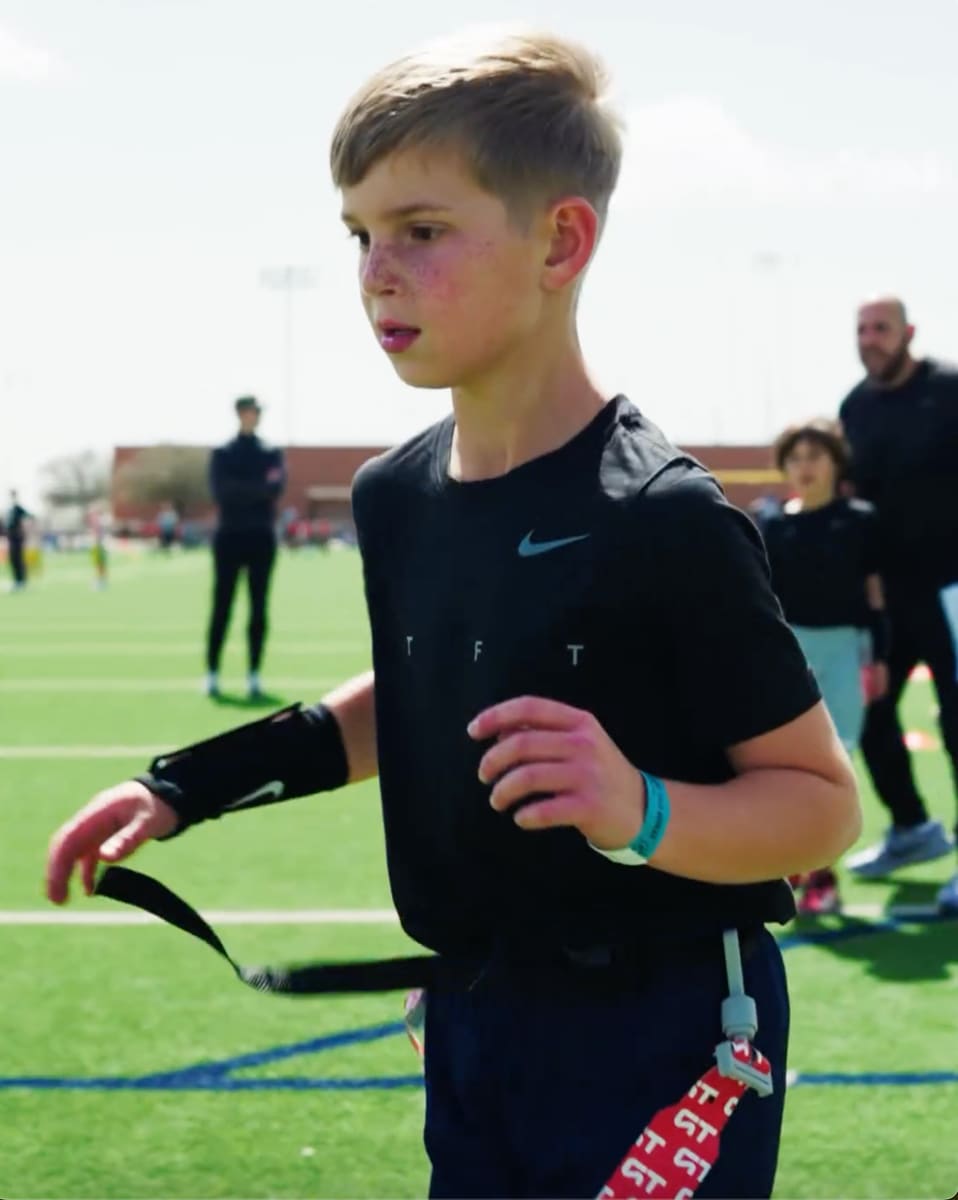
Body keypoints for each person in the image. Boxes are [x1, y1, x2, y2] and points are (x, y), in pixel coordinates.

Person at [45, 31, 861, 1199]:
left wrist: (639, 810)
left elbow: (820, 807)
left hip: (668, 1025)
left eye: (421, 231)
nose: (377, 269)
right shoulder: (395, 494)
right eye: (360, 236)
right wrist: (185, 786)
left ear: (561, 241)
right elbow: (421, 693)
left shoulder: (664, 517)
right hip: (474, 1013)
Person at [839, 297, 958, 912]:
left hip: (952, 588)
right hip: (891, 593)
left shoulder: (949, 389)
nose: (870, 340)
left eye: (881, 329)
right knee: (873, 712)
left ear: (908, 333)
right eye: (862, 330)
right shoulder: (854, 407)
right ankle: (912, 828)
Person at [759, 419, 889, 914]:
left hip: (844, 654)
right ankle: (793, 866)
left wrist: (877, 656)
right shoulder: (770, 523)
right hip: (790, 655)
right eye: (796, 457)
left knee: (838, 765)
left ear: (836, 462)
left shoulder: (860, 520)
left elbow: (875, 598)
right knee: (786, 766)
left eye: (816, 455)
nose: (805, 466)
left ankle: (823, 876)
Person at [205, 396, 285, 699]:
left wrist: (245, 490)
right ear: (240, 414)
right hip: (229, 537)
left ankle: (253, 673)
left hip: (261, 537)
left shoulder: (270, 452)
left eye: (257, 412)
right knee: (222, 606)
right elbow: (221, 492)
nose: (254, 417)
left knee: (258, 607)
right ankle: (212, 672)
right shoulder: (223, 453)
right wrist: (256, 489)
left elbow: (275, 489)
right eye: (250, 412)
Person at [4, 489, 32, 591]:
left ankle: (22, 581)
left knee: (19, 559)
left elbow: (29, 517)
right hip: (11, 538)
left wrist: (25, 530)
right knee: (13, 559)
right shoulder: (9, 510)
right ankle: (16, 580)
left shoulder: (18, 508)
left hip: (18, 538)